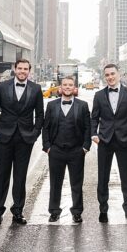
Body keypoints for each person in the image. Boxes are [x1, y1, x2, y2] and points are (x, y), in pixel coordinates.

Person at [0, 58, 44, 225]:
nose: (22, 71)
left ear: (29, 71)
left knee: (20, 176)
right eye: (20, 68)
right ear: (15, 69)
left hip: (25, 139)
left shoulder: (36, 88)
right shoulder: (2, 86)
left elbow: (40, 114)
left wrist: (34, 134)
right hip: (4, 137)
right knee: (2, 175)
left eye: (25, 69)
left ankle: (18, 212)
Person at [92, 64, 127, 223]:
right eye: (107, 75)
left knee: (126, 177)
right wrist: (94, 134)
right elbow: (94, 118)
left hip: (124, 140)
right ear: (104, 77)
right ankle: (103, 210)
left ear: (118, 74)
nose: (110, 77)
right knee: (103, 177)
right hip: (104, 141)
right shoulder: (99, 95)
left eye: (112, 74)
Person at [41, 76, 91, 223]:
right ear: (60, 87)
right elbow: (46, 128)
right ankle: (54, 211)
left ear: (74, 87)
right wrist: (47, 147)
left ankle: (77, 212)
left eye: (70, 85)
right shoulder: (51, 105)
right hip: (56, 151)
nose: (68, 87)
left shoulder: (83, 105)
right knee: (55, 183)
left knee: (77, 183)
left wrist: (85, 147)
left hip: (76, 151)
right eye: (65, 85)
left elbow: (88, 128)